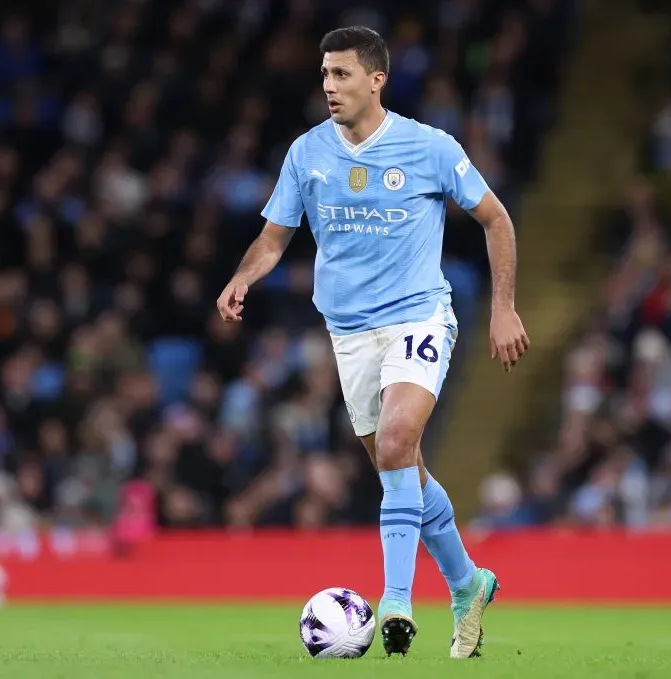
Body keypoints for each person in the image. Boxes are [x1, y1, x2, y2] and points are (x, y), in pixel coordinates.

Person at [216, 26, 529, 658]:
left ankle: (395, 602)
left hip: (418, 317)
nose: (329, 86)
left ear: (376, 79)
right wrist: (242, 277)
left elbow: (496, 218)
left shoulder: (429, 147)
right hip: (348, 332)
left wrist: (502, 309)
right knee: (400, 465)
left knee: (394, 442)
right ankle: (468, 583)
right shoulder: (307, 154)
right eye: (325, 75)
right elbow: (274, 239)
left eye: (342, 75)